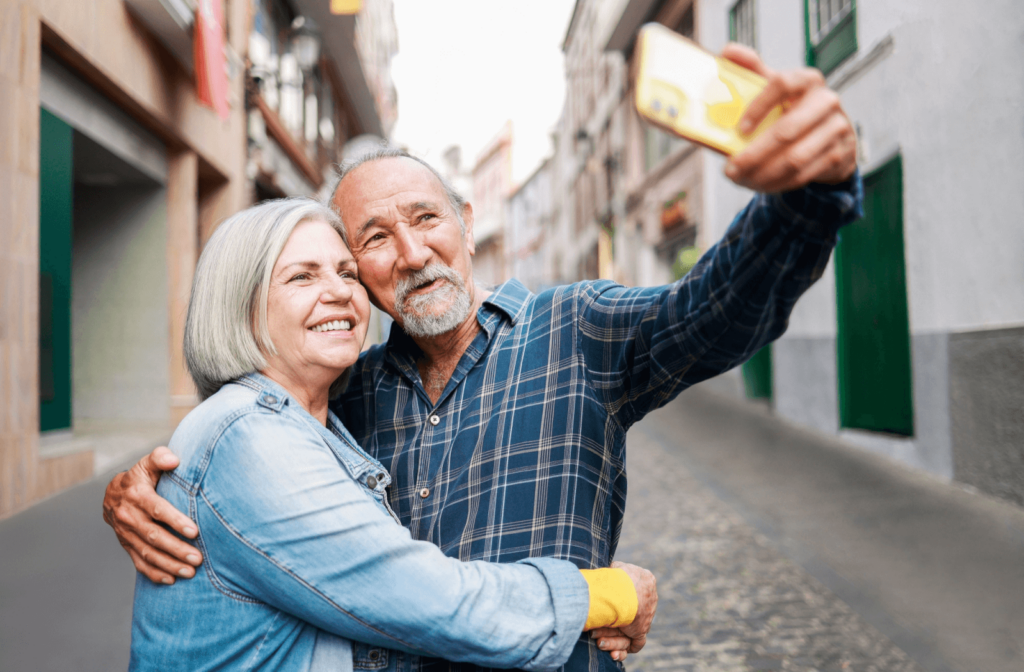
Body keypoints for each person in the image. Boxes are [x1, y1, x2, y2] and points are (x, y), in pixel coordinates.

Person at [104, 44, 861, 670]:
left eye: (426, 218)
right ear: (362, 271)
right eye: (371, 240)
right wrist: (151, 487)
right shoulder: (347, 395)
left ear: (466, 226)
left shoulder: (576, 330)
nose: (410, 252)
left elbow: (712, 314)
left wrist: (806, 195)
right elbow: (253, 468)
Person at [128, 197, 656, 671]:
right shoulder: (249, 438)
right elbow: (428, 602)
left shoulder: (314, 422)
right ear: (239, 305)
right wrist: (612, 594)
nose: (339, 293)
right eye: (302, 277)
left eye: (345, 272)